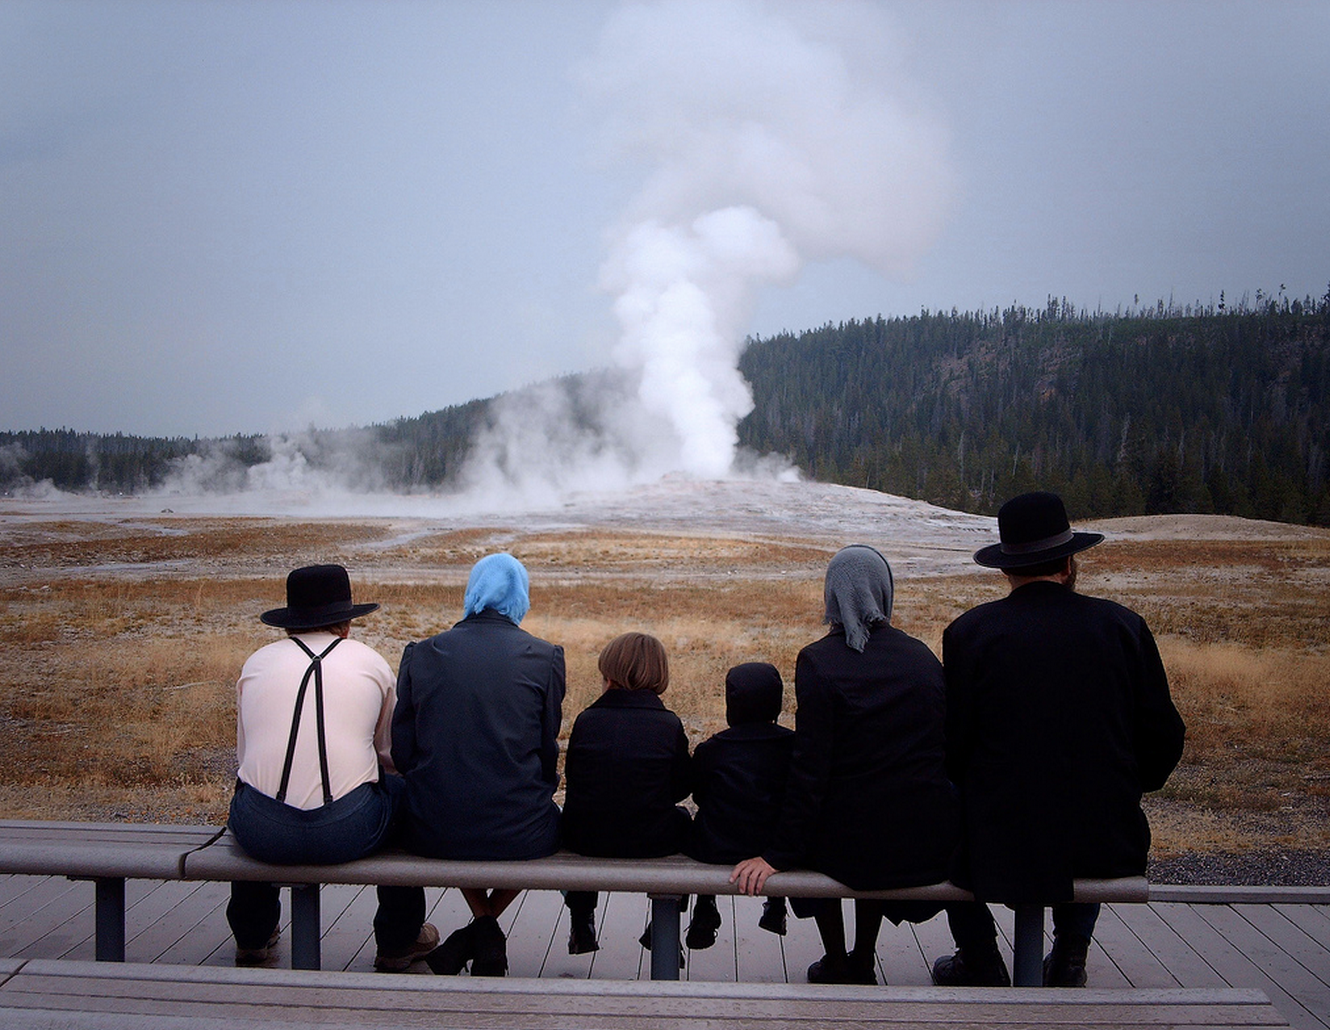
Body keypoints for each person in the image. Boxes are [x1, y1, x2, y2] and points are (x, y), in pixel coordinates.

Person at [932, 491, 1186, 987]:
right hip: (1104, 836)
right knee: (1088, 798)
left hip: (997, 838)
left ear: (1007, 569)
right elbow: (1163, 734)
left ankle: (980, 955)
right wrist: (1126, 785)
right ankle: (1071, 952)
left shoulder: (969, 633)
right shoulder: (1122, 627)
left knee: (941, 817)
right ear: (1069, 563)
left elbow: (953, 746)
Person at [732, 545, 959, 985]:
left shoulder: (819, 660)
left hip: (852, 843)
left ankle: (836, 957)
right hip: (922, 837)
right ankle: (863, 956)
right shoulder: (922, 658)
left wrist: (777, 853)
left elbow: (811, 767)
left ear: (832, 595)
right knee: (870, 810)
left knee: (842, 822)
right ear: (883, 590)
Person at [227, 564, 438, 971]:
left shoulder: (256, 664)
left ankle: (252, 935)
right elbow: (389, 758)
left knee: (251, 790)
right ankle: (398, 939)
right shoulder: (370, 662)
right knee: (400, 797)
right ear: (346, 622)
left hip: (264, 830)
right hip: (345, 827)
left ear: (290, 622)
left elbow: (245, 758)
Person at [389, 553, 564, 977]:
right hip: (519, 827)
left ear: (473, 591)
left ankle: (479, 930)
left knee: (457, 804)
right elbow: (546, 747)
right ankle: (485, 928)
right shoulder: (545, 656)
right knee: (547, 824)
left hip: (432, 825)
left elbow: (403, 749)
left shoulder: (422, 653)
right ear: (520, 594)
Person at [560, 632, 692, 956]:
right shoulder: (668, 724)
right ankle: (665, 921)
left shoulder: (587, 720)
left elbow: (575, 779)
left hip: (586, 838)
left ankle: (581, 916)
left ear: (608, 672)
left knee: (581, 813)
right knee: (685, 819)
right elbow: (681, 788)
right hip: (652, 840)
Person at [683, 662, 794, 949]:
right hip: (776, 848)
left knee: (698, 823)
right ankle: (776, 903)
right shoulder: (795, 747)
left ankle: (705, 904)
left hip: (717, 848)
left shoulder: (713, 749)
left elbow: (699, 797)